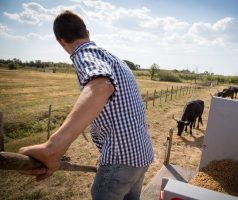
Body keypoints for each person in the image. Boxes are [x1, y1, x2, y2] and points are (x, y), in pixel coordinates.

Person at [19, 10, 154, 200]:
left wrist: (53, 148)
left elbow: (101, 86)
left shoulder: (84, 53)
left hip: (121, 157)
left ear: (61, 41)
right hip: (141, 154)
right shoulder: (112, 58)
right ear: (88, 33)